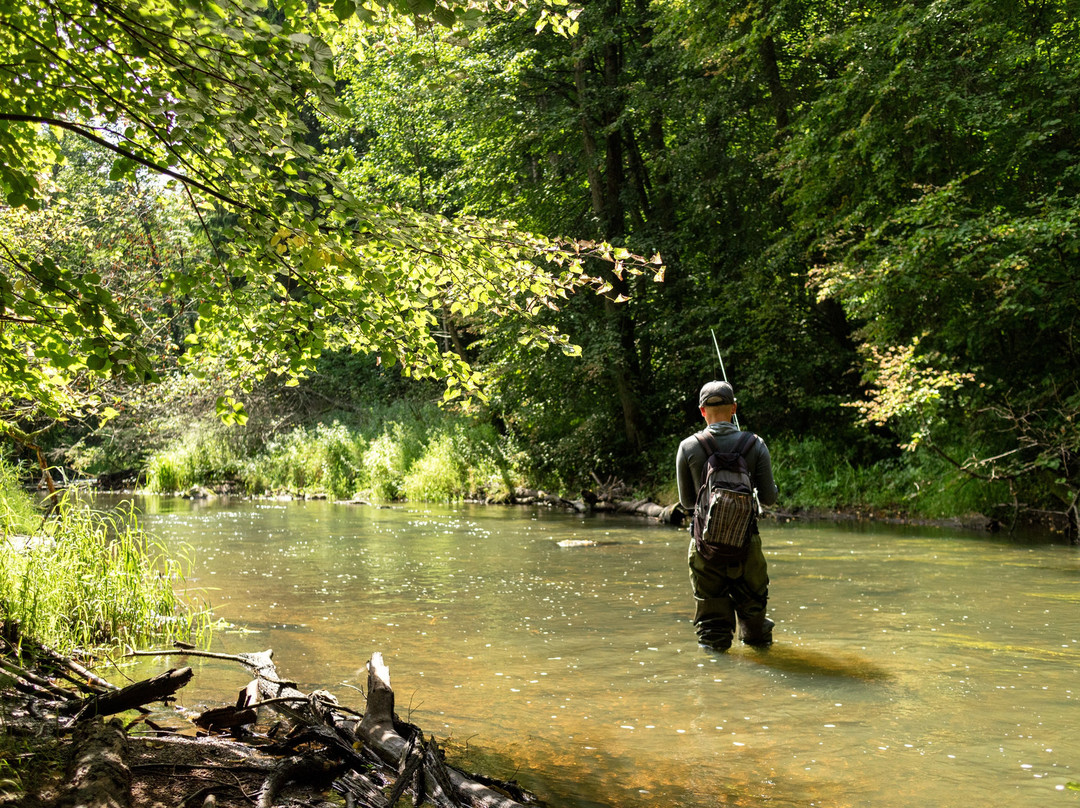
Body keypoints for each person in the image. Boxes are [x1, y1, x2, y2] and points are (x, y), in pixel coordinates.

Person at [675, 380, 779, 651]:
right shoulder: (755, 444)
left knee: (711, 631)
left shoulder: (688, 446)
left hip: (704, 548)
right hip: (747, 546)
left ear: (701, 411)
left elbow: (687, 502)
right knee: (755, 626)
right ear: (734, 408)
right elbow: (769, 498)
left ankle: (714, 682)